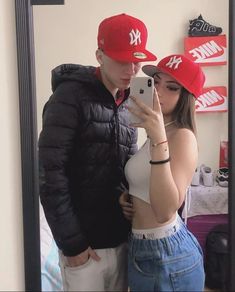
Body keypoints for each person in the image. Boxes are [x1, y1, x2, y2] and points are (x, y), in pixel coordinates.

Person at [38, 13, 157, 292]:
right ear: (100, 55)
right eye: (121, 59)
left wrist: (127, 194)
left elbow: (123, 165)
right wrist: (72, 244)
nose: (131, 69)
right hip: (85, 247)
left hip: (121, 238)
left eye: (137, 60)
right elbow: (49, 175)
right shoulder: (69, 98)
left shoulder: (130, 100)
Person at [120, 54, 206, 291]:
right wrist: (129, 198)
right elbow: (147, 182)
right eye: (155, 82)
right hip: (141, 247)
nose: (158, 91)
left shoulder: (181, 136)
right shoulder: (155, 132)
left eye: (171, 87)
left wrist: (158, 138)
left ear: (185, 98)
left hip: (167, 255)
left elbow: (165, 210)